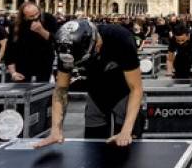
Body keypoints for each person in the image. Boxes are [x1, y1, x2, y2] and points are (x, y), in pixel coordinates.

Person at [35, 19, 143, 148]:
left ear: (96, 44)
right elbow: (61, 89)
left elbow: (136, 88)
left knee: (127, 146)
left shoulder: (120, 38)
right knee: (92, 146)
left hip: (123, 89)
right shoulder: (66, 48)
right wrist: (56, 130)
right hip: (95, 90)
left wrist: (126, 131)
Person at [4, 2, 58, 82]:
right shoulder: (15, 25)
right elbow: (10, 49)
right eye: (31, 16)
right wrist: (13, 73)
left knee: (42, 89)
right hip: (22, 64)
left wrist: (41, 31)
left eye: (37, 14)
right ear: (24, 16)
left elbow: (55, 40)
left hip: (43, 63)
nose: (36, 17)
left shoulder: (48, 18)